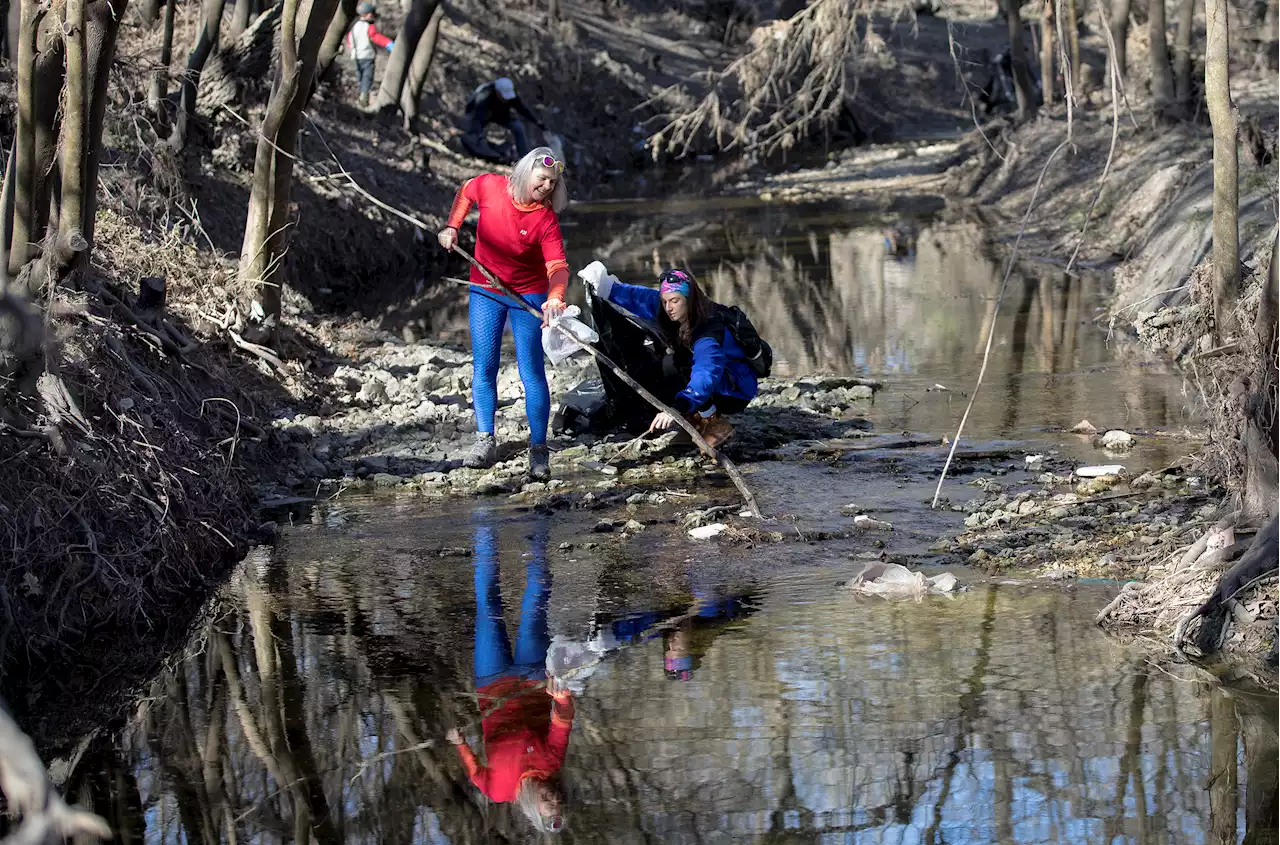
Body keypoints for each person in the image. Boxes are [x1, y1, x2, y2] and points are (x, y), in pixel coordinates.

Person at [437, 147, 569, 480]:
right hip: (486, 290)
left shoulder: (545, 218)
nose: (547, 187)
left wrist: (555, 298)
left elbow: (557, 266)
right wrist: (452, 227)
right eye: (542, 179)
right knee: (485, 365)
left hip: (529, 296)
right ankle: (485, 440)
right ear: (526, 173)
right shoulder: (491, 186)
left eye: (553, 183)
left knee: (531, 371)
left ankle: (539, 451)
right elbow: (466, 191)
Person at [446, 516, 574, 835]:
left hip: (490, 683)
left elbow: (475, 769)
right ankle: (539, 531)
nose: (555, 797)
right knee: (534, 611)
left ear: (534, 810)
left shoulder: (497, 791)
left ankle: (484, 527)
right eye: (560, 800)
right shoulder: (551, 764)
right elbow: (562, 723)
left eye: (550, 804)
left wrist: (459, 743)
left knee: (487, 605)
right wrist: (562, 698)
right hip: (531, 679)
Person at [580, 265, 759, 448]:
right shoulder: (671, 311)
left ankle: (714, 423)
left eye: (674, 301)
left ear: (689, 300)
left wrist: (676, 408)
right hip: (711, 376)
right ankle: (695, 418)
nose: (668, 307)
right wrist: (606, 287)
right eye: (665, 301)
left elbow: (705, 374)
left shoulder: (708, 332)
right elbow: (640, 298)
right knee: (667, 365)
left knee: (677, 367)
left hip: (735, 386)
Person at [461, 77, 546, 162]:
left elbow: (522, 109)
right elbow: (476, 113)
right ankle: (478, 150)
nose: (507, 99)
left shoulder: (510, 96)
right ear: (497, 91)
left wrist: (536, 121)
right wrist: (478, 132)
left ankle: (522, 157)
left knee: (518, 127)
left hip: (500, 114)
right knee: (474, 133)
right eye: (504, 95)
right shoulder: (484, 94)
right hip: (480, 115)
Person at [346, 1, 394, 108]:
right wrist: (389, 44)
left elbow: (350, 41)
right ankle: (364, 97)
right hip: (367, 56)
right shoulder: (369, 27)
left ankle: (361, 95)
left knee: (360, 76)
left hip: (356, 56)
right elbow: (376, 37)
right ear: (368, 15)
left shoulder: (354, 26)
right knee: (367, 78)